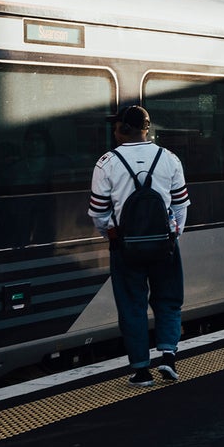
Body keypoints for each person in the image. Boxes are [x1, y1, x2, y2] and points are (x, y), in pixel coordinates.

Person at [89, 104, 190, 386]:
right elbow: (181, 206)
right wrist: (174, 235)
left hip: (126, 247)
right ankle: (168, 357)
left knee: (132, 305)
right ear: (147, 129)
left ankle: (141, 371)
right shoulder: (169, 159)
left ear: (123, 129)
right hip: (164, 245)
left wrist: (111, 234)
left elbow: (98, 213)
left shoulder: (106, 163)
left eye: (116, 125)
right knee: (169, 299)